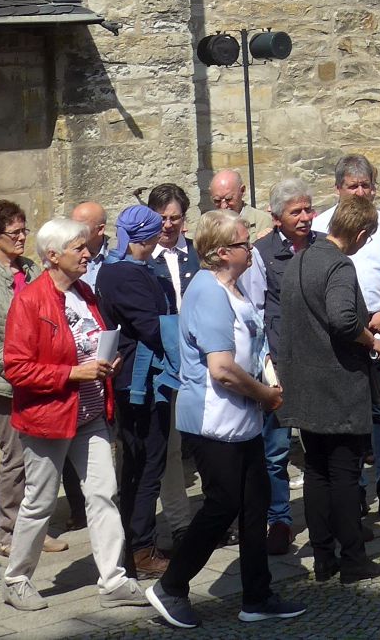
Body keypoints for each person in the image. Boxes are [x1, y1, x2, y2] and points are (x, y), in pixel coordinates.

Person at [148, 212, 304, 628]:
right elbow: (221, 369)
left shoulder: (233, 288)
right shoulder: (208, 292)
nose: (250, 249)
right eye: (242, 243)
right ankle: (171, 586)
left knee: (255, 504)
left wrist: (269, 375)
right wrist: (265, 395)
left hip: (242, 420)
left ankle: (257, 595)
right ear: (220, 253)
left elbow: (253, 343)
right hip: (213, 420)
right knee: (223, 504)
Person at [0, 217, 144, 613]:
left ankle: (113, 580)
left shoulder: (85, 293)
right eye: (78, 248)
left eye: (85, 246)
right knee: (40, 501)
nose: (86, 253)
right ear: (52, 255)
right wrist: (72, 374)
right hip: (47, 419)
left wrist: (106, 363)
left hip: (91, 414)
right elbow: (16, 368)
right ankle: (16, 579)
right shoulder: (29, 301)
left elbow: (90, 343)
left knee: (103, 494)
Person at [283, 198, 380, 585]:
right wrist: (371, 340)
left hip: (305, 383)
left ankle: (324, 558)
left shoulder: (299, 259)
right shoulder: (338, 265)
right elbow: (343, 319)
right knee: (344, 474)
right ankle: (353, 560)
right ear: (360, 234)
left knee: (316, 472)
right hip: (337, 384)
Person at [0, 200, 68, 561]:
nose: (22, 238)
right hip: (3, 382)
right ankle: (9, 533)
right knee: (17, 455)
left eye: (24, 231)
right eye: (14, 233)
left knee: (39, 456)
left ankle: (35, 528)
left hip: (37, 378)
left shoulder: (33, 270)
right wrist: (19, 371)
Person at [316, 157, 380, 523]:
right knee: (349, 416)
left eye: (366, 185)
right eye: (352, 186)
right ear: (338, 188)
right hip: (341, 329)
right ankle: (352, 492)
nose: (360, 192)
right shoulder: (321, 226)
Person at [93, 204, 178, 577]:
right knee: (145, 462)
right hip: (139, 381)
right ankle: (140, 548)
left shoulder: (130, 269)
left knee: (142, 462)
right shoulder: (124, 274)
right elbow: (151, 327)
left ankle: (137, 543)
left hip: (141, 378)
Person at [252, 179, 312, 556]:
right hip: (279, 360)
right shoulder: (261, 254)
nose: (305, 217)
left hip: (318, 359)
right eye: (296, 212)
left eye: (308, 209)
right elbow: (256, 310)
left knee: (324, 441)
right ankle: (279, 519)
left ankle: (335, 512)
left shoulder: (323, 246)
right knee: (275, 449)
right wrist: (266, 361)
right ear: (276, 218)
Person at [145, 183, 198, 545]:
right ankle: (180, 523)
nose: (168, 225)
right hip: (165, 364)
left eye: (175, 218)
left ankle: (219, 513)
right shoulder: (143, 260)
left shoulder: (196, 254)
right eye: (162, 218)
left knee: (211, 441)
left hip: (201, 359)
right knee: (172, 447)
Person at [210, 169, 274, 239]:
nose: (223, 206)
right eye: (217, 200)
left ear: (242, 191)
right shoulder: (209, 226)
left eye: (228, 199)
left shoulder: (263, 222)